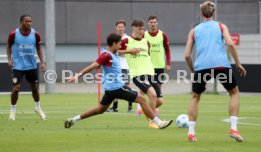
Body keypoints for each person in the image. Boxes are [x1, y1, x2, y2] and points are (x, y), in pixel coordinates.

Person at [64, 33, 173, 129]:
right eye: (119, 43)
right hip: (117, 88)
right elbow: (93, 66)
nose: (121, 45)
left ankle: (74, 119)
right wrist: (77, 76)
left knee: (100, 110)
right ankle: (158, 123)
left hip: (110, 90)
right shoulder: (106, 55)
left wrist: (130, 51)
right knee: (142, 99)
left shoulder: (113, 52)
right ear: (114, 44)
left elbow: (120, 52)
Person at [184, 1, 247, 142]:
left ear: (201, 14)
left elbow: (187, 55)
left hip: (201, 67)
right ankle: (234, 129)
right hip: (221, 66)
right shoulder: (221, 26)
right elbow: (230, 43)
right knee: (234, 92)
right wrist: (238, 63)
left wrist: (194, 71)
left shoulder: (194, 31)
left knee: (195, 96)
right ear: (214, 13)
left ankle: (191, 133)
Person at [119, 19, 165, 128]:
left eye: (143, 29)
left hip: (150, 74)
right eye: (140, 29)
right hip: (138, 74)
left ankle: (146, 110)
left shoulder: (146, 42)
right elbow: (117, 52)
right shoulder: (127, 41)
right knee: (152, 94)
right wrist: (129, 51)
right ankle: (152, 122)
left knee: (160, 100)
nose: (142, 31)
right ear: (133, 28)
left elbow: (147, 57)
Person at [6, 14, 47, 121]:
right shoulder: (13, 34)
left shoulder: (35, 34)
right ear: (21, 23)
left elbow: (38, 48)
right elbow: (8, 46)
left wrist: (42, 62)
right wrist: (9, 59)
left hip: (31, 66)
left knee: (34, 88)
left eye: (30, 21)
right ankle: (13, 110)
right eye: (27, 21)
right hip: (17, 67)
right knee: (16, 89)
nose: (29, 23)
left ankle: (38, 108)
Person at [136, 15, 172, 116]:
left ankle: (150, 109)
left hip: (160, 66)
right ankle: (139, 107)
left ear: (157, 23)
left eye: (154, 22)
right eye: (151, 22)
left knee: (158, 88)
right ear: (148, 23)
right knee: (144, 87)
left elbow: (167, 50)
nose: (153, 24)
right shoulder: (144, 35)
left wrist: (168, 63)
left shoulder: (162, 35)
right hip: (147, 66)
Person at [106, 20, 133, 112]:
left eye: (122, 27)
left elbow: (129, 52)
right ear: (116, 27)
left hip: (125, 65)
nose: (120, 28)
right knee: (114, 85)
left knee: (127, 85)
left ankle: (130, 106)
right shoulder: (113, 38)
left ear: (124, 28)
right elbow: (109, 51)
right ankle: (115, 107)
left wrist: (119, 52)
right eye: (119, 27)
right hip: (114, 66)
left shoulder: (128, 38)